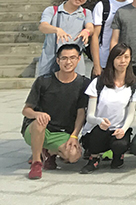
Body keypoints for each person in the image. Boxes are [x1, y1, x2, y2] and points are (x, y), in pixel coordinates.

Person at [22, 42, 88, 179]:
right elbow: (26, 110)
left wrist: (74, 136)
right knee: (40, 122)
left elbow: (81, 113)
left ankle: (49, 152)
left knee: (73, 156)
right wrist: (37, 114)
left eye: (72, 58)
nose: (68, 62)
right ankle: (36, 162)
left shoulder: (83, 83)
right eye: (64, 58)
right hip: (37, 129)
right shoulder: (44, 81)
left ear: (78, 59)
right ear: (58, 60)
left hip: (61, 132)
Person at [78, 42, 136, 173]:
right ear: (112, 60)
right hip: (98, 128)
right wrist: (99, 121)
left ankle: (118, 156)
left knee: (120, 144)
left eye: (126, 57)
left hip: (118, 129)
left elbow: (131, 113)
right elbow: (89, 116)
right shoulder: (98, 82)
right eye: (118, 57)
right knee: (97, 136)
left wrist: (123, 129)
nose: (122, 61)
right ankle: (94, 158)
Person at [37, 0, 94, 77]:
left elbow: (90, 27)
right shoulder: (52, 11)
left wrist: (87, 31)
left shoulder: (86, 13)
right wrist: (56, 30)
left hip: (75, 64)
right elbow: (43, 26)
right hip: (50, 61)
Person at [91, 0, 132, 76]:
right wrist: (96, 65)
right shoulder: (102, 6)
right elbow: (95, 36)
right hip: (105, 62)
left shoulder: (135, 4)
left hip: (128, 63)